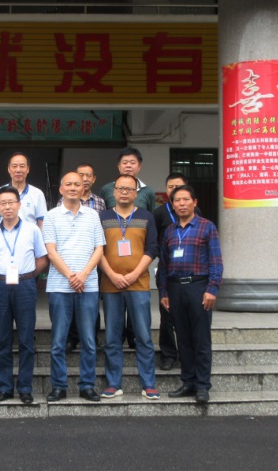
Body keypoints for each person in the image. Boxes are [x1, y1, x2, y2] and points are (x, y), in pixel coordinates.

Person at [42, 171, 105, 402]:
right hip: (60, 286)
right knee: (58, 341)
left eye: (77, 184)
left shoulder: (93, 215)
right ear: (61, 189)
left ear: (83, 188)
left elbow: (99, 249)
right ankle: (59, 386)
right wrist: (71, 276)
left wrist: (84, 274)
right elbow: (51, 251)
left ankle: (87, 385)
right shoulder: (51, 216)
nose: (72, 188)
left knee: (88, 340)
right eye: (68, 184)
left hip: (88, 286)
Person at [0, 186, 49, 405]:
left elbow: (42, 259)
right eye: (3, 203)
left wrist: (28, 277)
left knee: (26, 339)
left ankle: (25, 388)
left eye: (11, 202)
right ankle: (4, 387)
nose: (7, 207)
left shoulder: (32, 230)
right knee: (2, 338)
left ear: (19, 205)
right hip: (0, 287)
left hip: (25, 286)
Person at [98, 174, 159, 399]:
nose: (124, 192)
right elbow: (97, 249)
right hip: (111, 284)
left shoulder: (146, 216)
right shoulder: (103, 217)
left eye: (129, 189)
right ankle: (113, 383)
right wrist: (112, 274)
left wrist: (134, 274)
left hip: (139, 284)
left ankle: (149, 384)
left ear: (136, 193)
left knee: (143, 336)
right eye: (120, 188)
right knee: (112, 337)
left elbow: (152, 249)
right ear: (114, 191)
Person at [160, 184, 223, 404]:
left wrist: (212, 289)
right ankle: (188, 382)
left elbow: (216, 261)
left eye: (186, 199)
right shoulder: (169, 230)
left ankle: (203, 385)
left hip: (199, 287)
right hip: (176, 288)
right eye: (177, 200)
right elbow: (164, 264)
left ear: (194, 202)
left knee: (201, 338)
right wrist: (164, 291)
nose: (181, 204)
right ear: (172, 205)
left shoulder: (207, 227)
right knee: (183, 338)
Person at [152, 172, 190, 371]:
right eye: (170, 187)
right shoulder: (159, 213)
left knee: (187, 316)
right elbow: (153, 240)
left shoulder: (194, 211)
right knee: (167, 316)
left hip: (190, 272)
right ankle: (168, 355)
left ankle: (186, 354)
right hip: (167, 269)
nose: (174, 190)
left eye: (178, 186)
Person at [0, 152, 48, 228]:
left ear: (28, 169)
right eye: (14, 166)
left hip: (29, 235)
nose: (18, 170)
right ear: (9, 169)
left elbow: (42, 223)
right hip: (4, 235)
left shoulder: (38, 194)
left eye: (22, 166)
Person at [98, 147, 157, 212]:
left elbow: (151, 215)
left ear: (139, 167)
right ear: (119, 166)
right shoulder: (106, 189)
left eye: (132, 163)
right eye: (125, 163)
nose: (128, 165)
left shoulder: (148, 191)